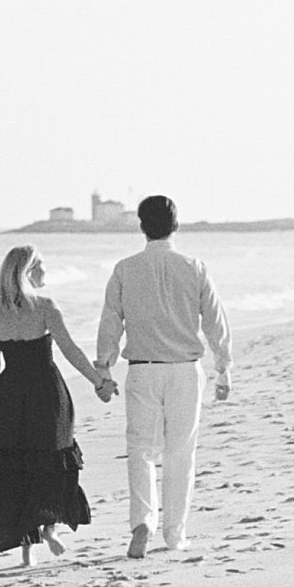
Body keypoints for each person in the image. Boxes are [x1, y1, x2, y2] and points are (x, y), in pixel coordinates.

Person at [0, 244, 117, 567]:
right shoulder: (45, 307)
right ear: (29, 271)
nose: (46, 273)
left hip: (9, 397)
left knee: (15, 468)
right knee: (52, 459)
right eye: (42, 267)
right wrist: (99, 382)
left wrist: (6, 400)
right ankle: (50, 528)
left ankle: (28, 551)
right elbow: (70, 350)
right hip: (47, 394)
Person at [95, 194, 232, 560]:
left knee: (139, 449)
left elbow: (111, 322)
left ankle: (142, 522)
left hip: (142, 370)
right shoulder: (194, 267)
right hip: (185, 370)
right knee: (180, 453)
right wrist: (224, 367)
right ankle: (174, 535)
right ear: (176, 226)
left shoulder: (125, 269)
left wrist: (103, 367)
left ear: (142, 227)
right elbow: (215, 321)